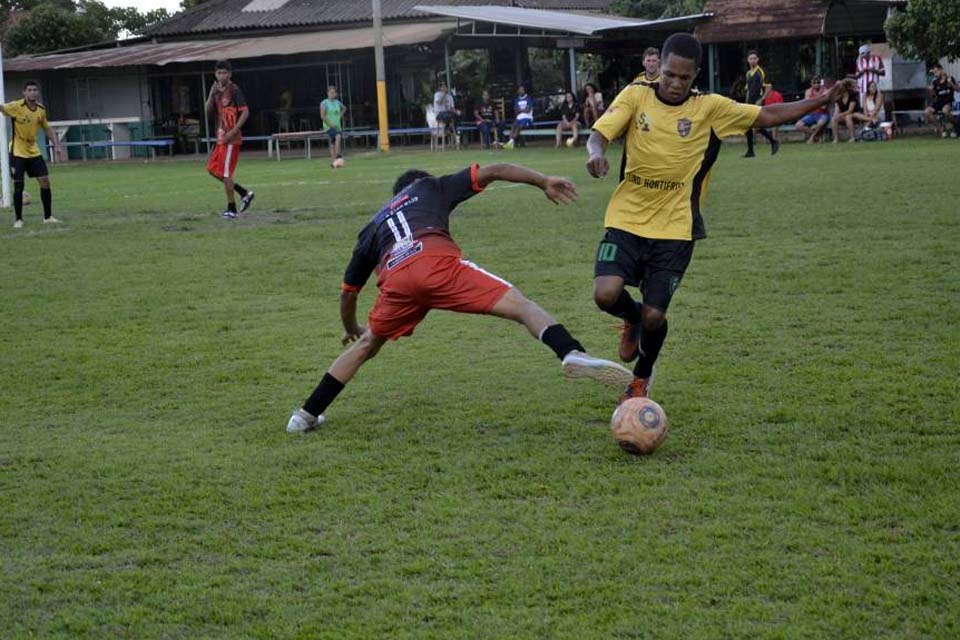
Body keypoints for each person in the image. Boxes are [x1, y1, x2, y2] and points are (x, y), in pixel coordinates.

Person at [585, 32, 851, 403]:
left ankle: (640, 379)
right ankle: (627, 317)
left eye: (685, 77)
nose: (676, 83)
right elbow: (599, 134)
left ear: (695, 76)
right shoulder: (636, 95)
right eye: (669, 74)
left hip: (676, 227)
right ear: (658, 68)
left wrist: (822, 98)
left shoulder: (709, 108)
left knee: (654, 318)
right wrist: (595, 153)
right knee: (605, 293)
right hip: (626, 217)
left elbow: (769, 115)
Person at [285, 163, 634, 433]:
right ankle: (571, 352)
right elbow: (494, 171)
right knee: (521, 306)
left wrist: (352, 327)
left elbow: (348, 294)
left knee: (367, 345)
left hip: (397, 279)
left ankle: (305, 415)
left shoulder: (371, 227)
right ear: (418, 183)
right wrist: (543, 181)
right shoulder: (429, 186)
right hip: (435, 262)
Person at [2, 80, 64, 228]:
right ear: (24, 92)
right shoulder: (17, 106)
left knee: (44, 181)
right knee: (18, 185)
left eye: (35, 90)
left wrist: (57, 145)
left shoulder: (41, 109)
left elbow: (47, 128)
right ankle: (18, 219)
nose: (32, 92)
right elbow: (2, 108)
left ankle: (48, 217)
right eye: (29, 90)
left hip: (33, 150)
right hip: (17, 150)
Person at [205, 60, 254, 219]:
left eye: (224, 72)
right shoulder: (216, 91)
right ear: (215, 74)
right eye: (219, 73)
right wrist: (211, 93)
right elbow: (207, 111)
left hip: (231, 139)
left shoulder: (234, 90)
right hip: (220, 138)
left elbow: (245, 112)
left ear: (230, 74)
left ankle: (231, 209)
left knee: (226, 174)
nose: (221, 76)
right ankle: (244, 193)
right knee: (213, 170)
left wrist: (233, 132)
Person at [742, 50, 779, 157]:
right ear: (748, 60)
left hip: (757, 101)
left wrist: (761, 99)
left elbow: (768, 86)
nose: (752, 60)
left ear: (758, 59)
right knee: (748, 126)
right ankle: (751, 151)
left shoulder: (761, 71)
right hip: (749, 102)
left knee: (755, 126)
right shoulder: (748, 73)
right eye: (750, 58)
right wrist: (746, 103)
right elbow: (748, 90)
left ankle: (773, 142)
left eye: (754, 58)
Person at [924, 63, 959, 138]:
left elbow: (958, 90)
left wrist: (951, 84)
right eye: (934, 72)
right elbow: (934, 96)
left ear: (941, 70)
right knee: (927, 112)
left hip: (948, 102)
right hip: (938, 102)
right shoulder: (935, 82)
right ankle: (941, 128)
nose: (935, 74)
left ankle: (955, 126)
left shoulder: (950, 78)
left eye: (936, 72)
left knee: (945, 111)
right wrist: (931, 90)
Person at [794, 76, 830, 143]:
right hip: (812, 114)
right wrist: (819, 101)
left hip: (823, 114)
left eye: (818, 82)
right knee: (798, 125)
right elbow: (808, 105)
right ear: (811, 83)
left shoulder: (826, 91)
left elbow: (824, 107)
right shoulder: (808, 91)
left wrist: (813, 102)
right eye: (814, 82)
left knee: (820, 123)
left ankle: (812, 138)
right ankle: (817, 136)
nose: (816, 84)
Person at [320, 85, 347, 166]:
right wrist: (330, 124)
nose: (332, 94)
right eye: (330, 92)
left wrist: (339, 116)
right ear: (327, 93)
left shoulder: (337, 102)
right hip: (328, 126)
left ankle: (333, 162)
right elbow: (322, 116)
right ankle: (338, 156)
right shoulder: (324, 103)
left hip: (337, 126)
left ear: (336, 94)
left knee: (332, 143)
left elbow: (344, 108)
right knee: (338, 136)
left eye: (334, 93)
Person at [503, 85, 534, 150]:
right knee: (513, 126)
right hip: (518, 117)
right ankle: (511, 144)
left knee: (518, 127)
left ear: (524, 91)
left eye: (522, 90)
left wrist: (520, 110)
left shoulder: (528, 98)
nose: (520, 91)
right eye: (519, 90)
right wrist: (523, 110)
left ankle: (511, 143)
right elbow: (516, 112)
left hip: (527, 117)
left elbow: (528, 110)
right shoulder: (517, 100)